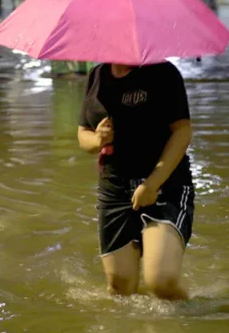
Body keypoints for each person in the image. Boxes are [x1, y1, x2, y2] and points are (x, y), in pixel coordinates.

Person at [77, 62, 195, 300]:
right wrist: (98, 139)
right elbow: (83, 135)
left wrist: (152, 184)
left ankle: (190, 321)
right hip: (115, 189)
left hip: (164, 185)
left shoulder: (163, 73)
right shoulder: (97, 74)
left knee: (162, 283)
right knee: (121, 288)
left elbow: (182, 131)